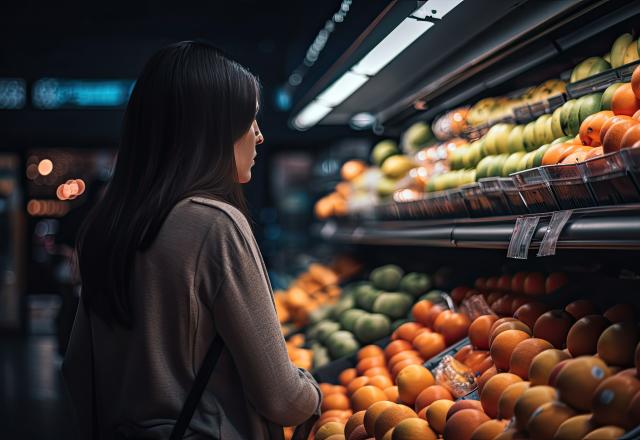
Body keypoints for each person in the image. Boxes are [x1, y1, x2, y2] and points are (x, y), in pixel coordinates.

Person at [62, 41, 321, 439]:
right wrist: (317, 393)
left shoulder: (109, 225)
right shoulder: (215, 224)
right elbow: (282, 399)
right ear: (212, 129)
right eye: (249, 119)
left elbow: (78, 372)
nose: (259, 135)